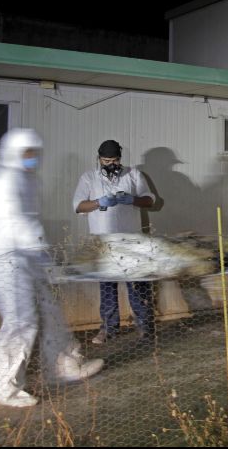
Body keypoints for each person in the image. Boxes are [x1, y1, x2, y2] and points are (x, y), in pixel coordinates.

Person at [0, 128, 104, 408]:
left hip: (30, 256)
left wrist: (44, 258)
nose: (32, 157)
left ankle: (67, 365)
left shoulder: (30, 179)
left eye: (35, 152)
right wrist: (45, 257)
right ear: (13, 153)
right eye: (27, 153)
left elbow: (33, 222)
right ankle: (6, 389)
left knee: (51, 309)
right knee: (20, 321)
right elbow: (16, 223)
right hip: (5, 259)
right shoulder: (3, 181)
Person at [73, 140, 157, 344]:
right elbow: (78, 206)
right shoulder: (89, 178)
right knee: (107, 287)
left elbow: (150, 200)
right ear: (98, 159)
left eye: (115, 160)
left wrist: (132, 199)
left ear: (120, 158)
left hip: (131, 242)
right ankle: (109, 328)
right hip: (103, 243)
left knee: (137, 285)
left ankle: (145, 328)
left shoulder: (133, 174)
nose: (111, 164)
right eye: (106, 160)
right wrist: (98, 202)